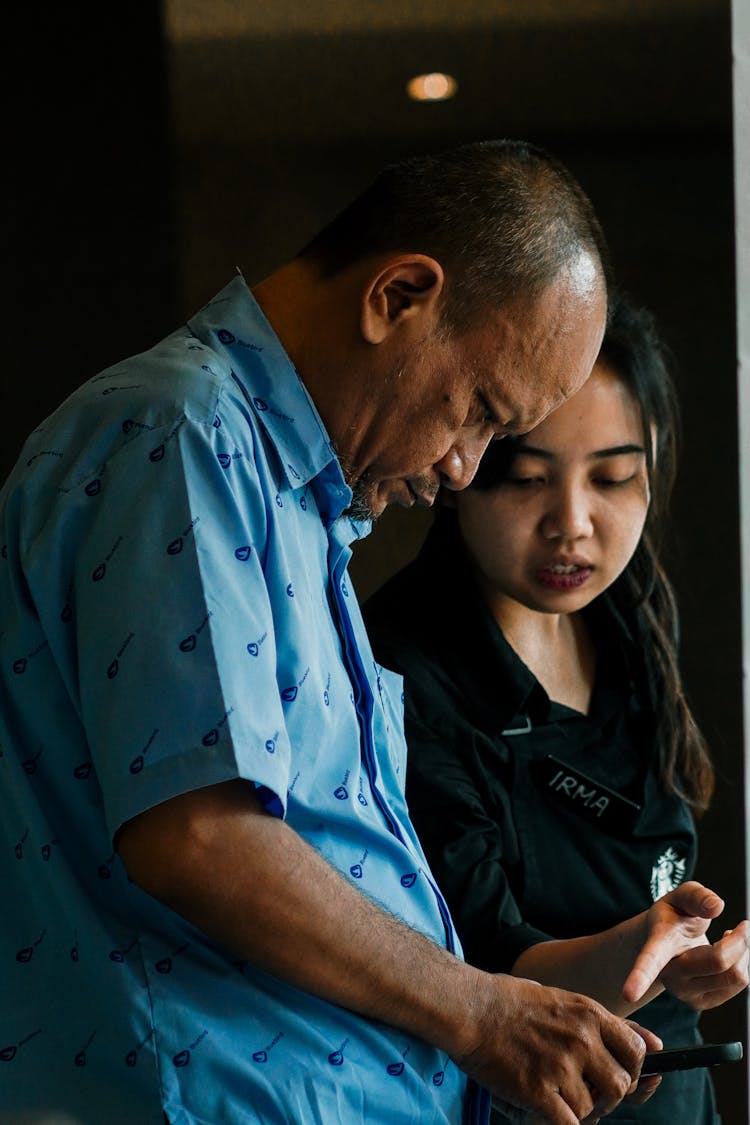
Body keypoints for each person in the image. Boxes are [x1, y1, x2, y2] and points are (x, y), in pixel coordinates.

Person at [1, 138, 669, 1125]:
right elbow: (199, 840)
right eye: (481, 412)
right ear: (398, 296)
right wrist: (482, 1015)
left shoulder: (298, 501)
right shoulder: (180, 433)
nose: (460, 468)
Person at [364, 294, 749, 1123]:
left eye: (613, 478)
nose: (573, 525)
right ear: (461, 467)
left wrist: (691, 958)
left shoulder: (633, 607)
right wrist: (637, 957)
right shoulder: (402, 669)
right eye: (529, 479)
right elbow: (476, 975)